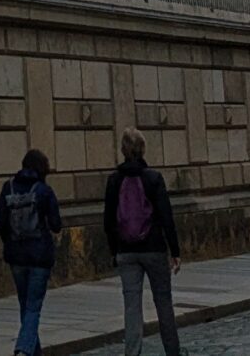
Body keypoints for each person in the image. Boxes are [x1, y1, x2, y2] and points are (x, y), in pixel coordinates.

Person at [104, 131, 183, 356]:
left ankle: (132, 353)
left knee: (132, 307)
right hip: (154, 248)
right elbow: (166, 217)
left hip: (126, 251)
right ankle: (173, 351)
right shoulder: (153, 178)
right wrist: (175, 250)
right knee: (163, 302)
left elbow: (108, 220)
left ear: (122, 150)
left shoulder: (114, 180)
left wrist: (114, 251)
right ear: (143, 149)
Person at [0, 148, 63, 356]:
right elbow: (56, 224)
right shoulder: (43, 190)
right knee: (33, 307)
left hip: (16, 257)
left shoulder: (8, 187)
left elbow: (0, 221)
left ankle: (34, 352)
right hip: (39, 257)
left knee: (25, 306)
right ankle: (23, 350)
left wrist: (9, 242)